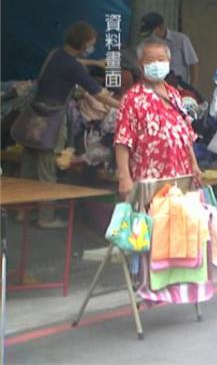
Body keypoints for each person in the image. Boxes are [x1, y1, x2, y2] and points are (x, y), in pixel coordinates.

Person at [21, 21, 120, 228]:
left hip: (33, 118)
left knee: (29, 166)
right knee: (47, 169)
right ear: (83, 44)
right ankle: (46, 217)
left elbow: (75, 64)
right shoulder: (73, 66)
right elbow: (98, 93)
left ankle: (23, 211)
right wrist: (124, 105)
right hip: (51, 120)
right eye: (91, 44)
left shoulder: (56, 54)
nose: (91, 47)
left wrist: (95, 63)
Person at [114, 38, 202, 196]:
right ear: (140, 64)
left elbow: (186, 134)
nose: (156, 64)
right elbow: (122, 140)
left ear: (169, 61)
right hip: (149, 179)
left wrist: (194, 164)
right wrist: (124, 177)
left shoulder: (174, 94)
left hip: (180, 176)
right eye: (150, 60)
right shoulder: (132, 98)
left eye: (161, 59)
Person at [138, 12, 200, 88]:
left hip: (179, 86)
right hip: (154, 86)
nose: (150, 35)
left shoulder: (181, 40)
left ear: (159, 28)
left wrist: (192, 87)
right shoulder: (147, 44)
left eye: (152, 31)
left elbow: (193, 64)